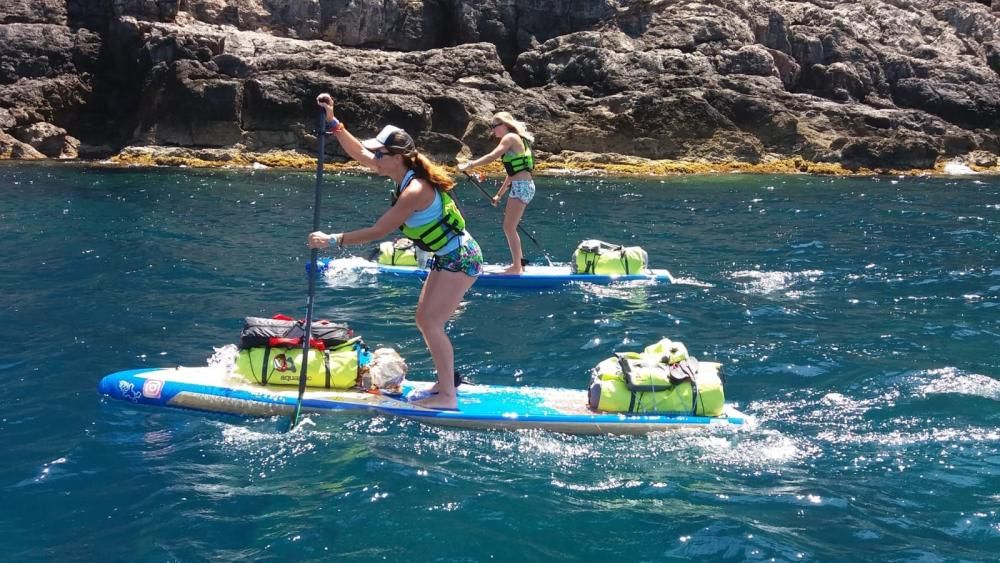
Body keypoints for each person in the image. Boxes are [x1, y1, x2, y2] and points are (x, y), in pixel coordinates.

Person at [308, 93, 483, 410]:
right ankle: (445, 384)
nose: (373, 158)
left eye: (379, 154)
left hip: (461, 257)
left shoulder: (414, 190)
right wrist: (333, 122)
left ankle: (448, 396)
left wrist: (331, 240)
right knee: (424, 320)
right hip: (448, 256)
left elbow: (379, 231)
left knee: (431, 324)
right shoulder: (400, 172)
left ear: (396, 156)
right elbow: (358, 151)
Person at [457, 112, 536, 274]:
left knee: (509, 228)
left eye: (494, 126)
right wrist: (499, 195)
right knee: (510, 227)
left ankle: (516, 267)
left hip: (522, 187)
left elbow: (492, 156)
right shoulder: (518, 140)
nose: (492, 130)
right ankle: (519, 264)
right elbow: (512, 173)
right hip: (523, 186)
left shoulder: (510, 138)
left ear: (504, 124)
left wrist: (469, 165)